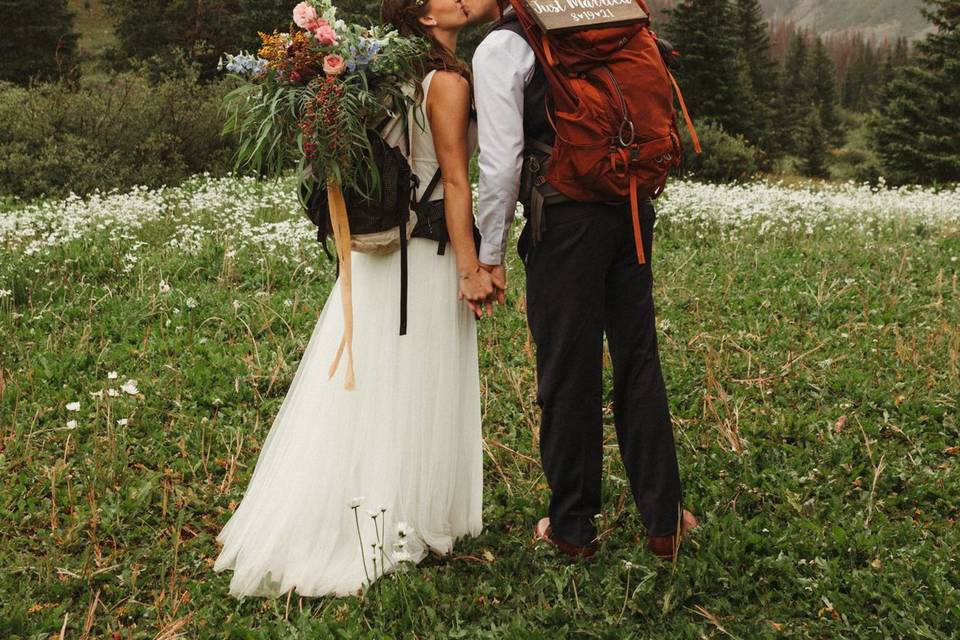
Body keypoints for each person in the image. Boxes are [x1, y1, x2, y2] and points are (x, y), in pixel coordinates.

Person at [214, 0, 495, 597]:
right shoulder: (443, 80)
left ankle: (361, 513)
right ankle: (397, 520)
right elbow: (452, 178)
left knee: (370, 381)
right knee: (414, 379)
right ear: (423, 18)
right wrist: (471, 267)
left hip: (378, 253)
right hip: (421, 254)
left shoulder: (385, 81)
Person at [461, 0, 698, 559]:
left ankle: (572, 529)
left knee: (569, 367)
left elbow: (501, 165)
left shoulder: (504, 45)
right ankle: (664, 521)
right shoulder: (609, 17)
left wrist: (490, 253)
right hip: (633, 207)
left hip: (564, 218)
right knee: (638, 357)